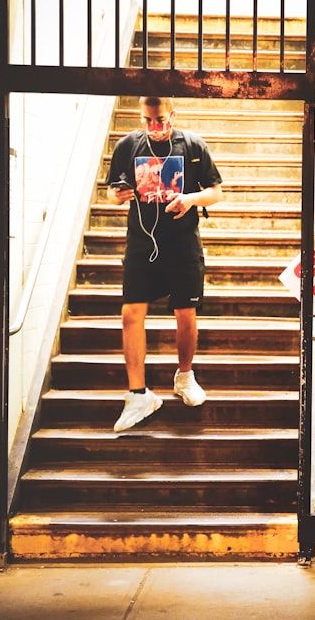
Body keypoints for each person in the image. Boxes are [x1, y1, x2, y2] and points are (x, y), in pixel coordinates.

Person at [106, 96, 223, 432]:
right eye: (148, 120)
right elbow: (111, 193)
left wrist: (190, 198)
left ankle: (185, 375)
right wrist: (117, 196)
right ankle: (138, 394)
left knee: (185, 312)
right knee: (131, 312)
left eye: (161, 120)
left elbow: (216, 192)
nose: (155, 127)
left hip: (182, 241)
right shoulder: (128, 145)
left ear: (173, 114)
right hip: (142, 242)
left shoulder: (193, 145)